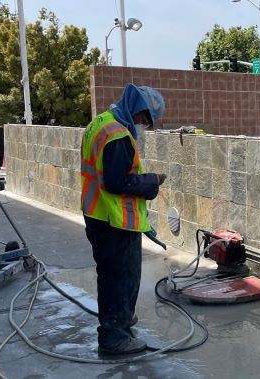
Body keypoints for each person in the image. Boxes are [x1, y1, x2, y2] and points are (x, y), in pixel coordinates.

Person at [80, 83, 167, 355]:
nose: (144, 127)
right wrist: (152, 181)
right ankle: (115, 337)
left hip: (98, 215)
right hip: (114, 222)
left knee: (111, 276)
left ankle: (120, 320)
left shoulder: (101, 123)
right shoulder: (117, 135)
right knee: (120, 278)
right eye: (145, 121)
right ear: (138, 110)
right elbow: (118, 182)